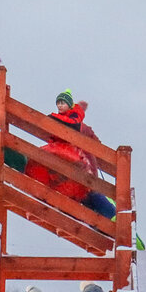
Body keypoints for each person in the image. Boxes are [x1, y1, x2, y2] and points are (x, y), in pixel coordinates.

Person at [23, 90, 115, 219]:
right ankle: (103, 219)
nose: (60, 106)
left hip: (78, 169)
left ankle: (108, 219)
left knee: (90, 197)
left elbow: (96, 146)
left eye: (63, 103)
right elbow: (96, 145)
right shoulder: (62, 123)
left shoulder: (74, 126)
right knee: (85, 197)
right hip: (70, 170)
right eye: (59, 103)